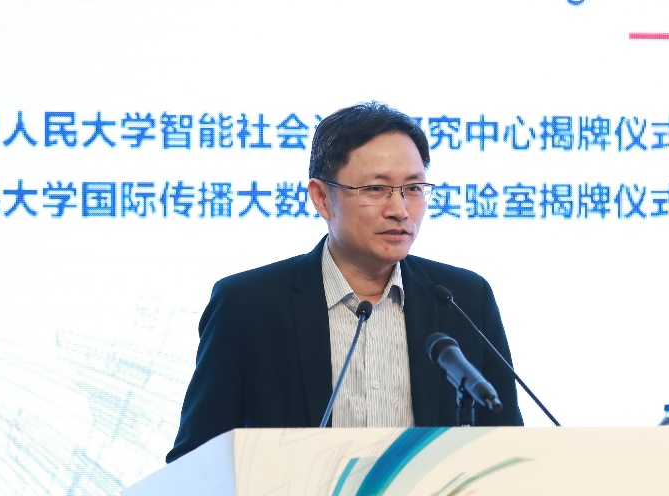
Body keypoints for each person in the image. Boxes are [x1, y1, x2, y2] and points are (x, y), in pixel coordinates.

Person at [166, 102, 522, 463]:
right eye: (376, 189)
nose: (400, 210)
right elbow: (193, 462)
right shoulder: (247, 306)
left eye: (414, 188)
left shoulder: (464, 299)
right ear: (322, 198)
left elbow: (509, 452)